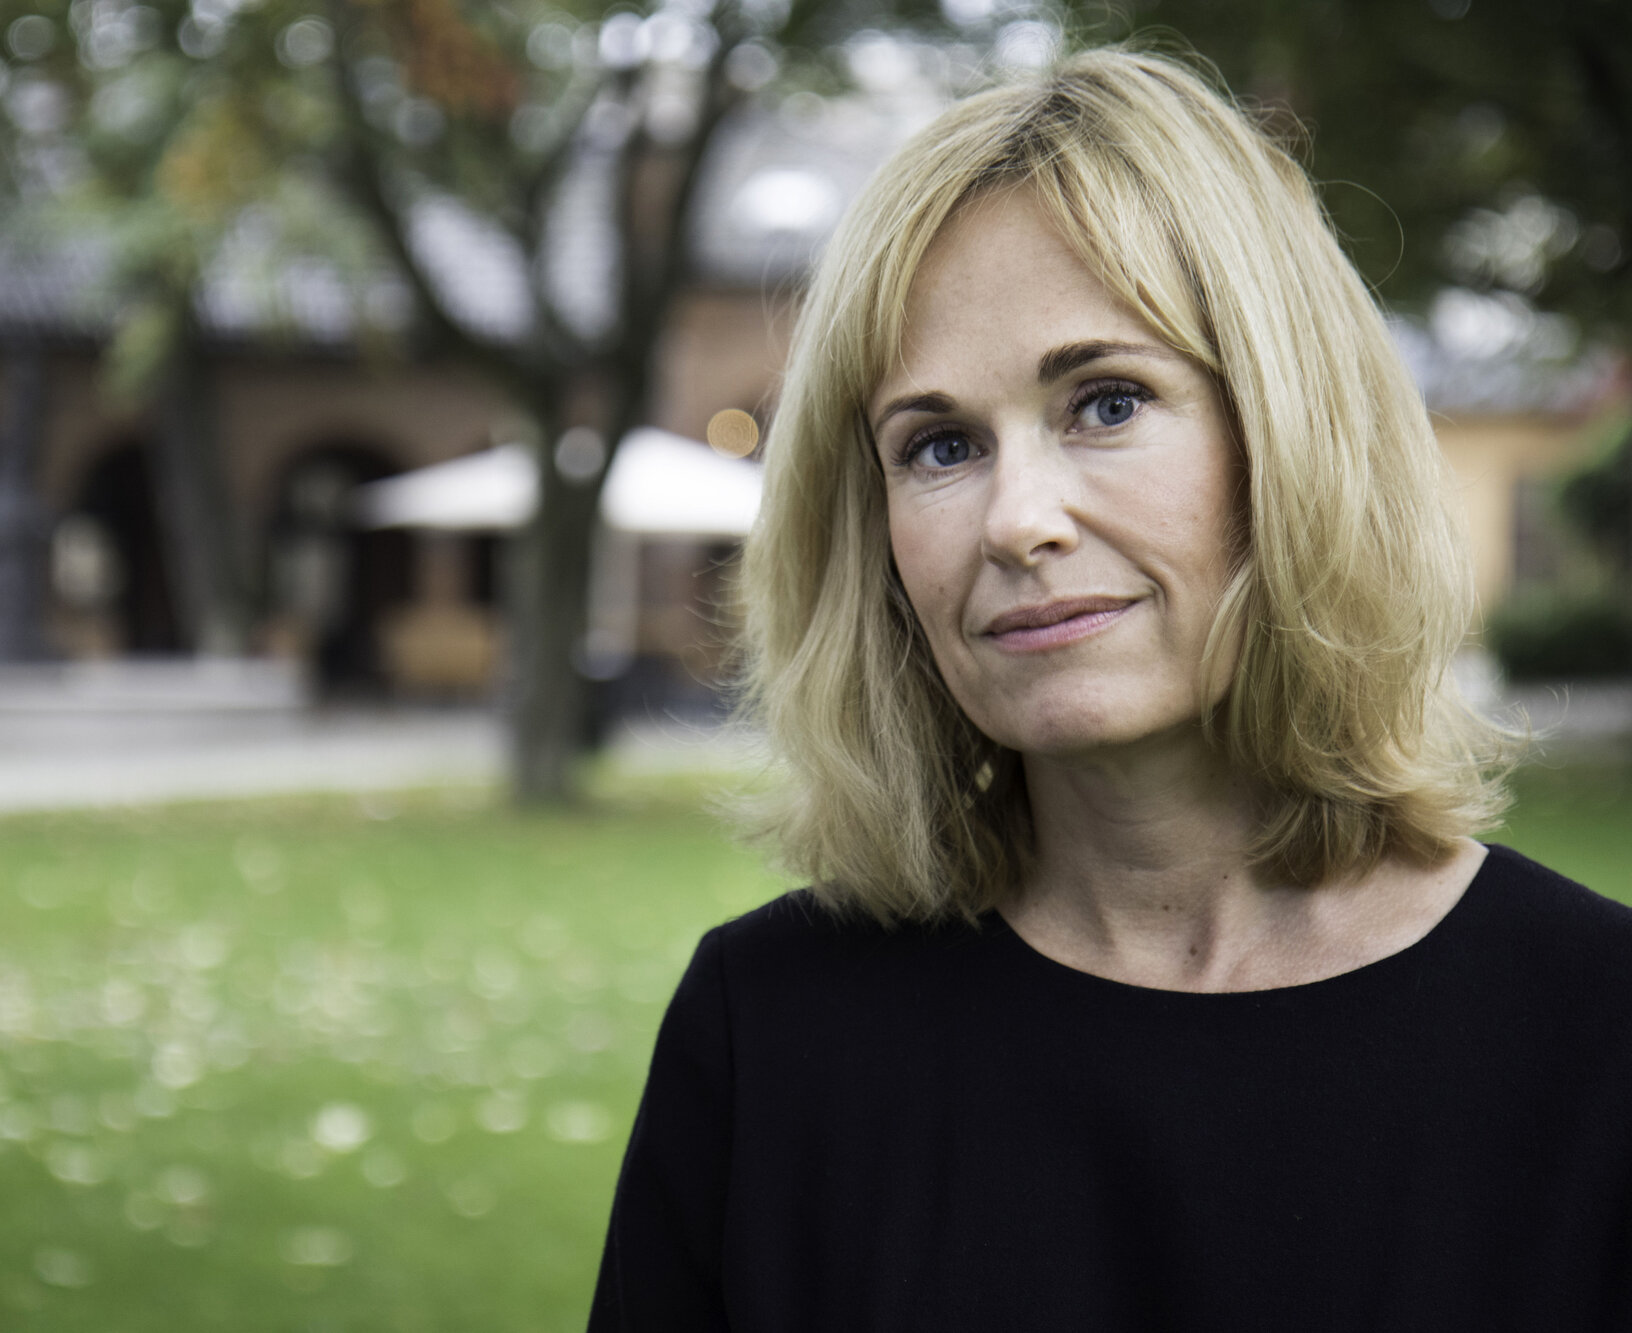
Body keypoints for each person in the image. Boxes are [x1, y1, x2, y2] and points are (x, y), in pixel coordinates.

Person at [588, 47, 1632, 1332]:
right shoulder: (767, 1034)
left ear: (1286, 435)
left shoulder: (1595, 1031)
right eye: (938, 445)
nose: (1014, 520)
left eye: (1105, 402)